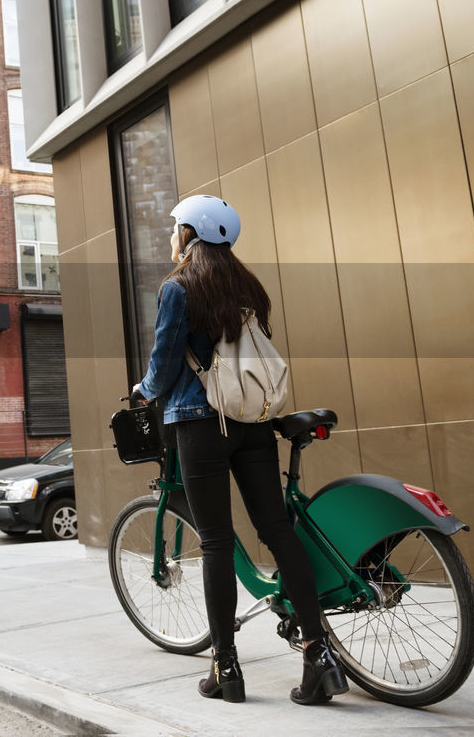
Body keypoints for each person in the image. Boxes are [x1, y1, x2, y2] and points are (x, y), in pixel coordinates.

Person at [132, 195, 348, 706]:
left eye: (176, 228)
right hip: (252, 423)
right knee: (277, 531)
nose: (172, 235)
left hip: (201, 424)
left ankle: (226, 668)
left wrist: (143, 390)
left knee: (215, 543)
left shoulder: (177, 288)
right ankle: (318, 656)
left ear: (189, 234)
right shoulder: (248, 286)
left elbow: (163, 367)